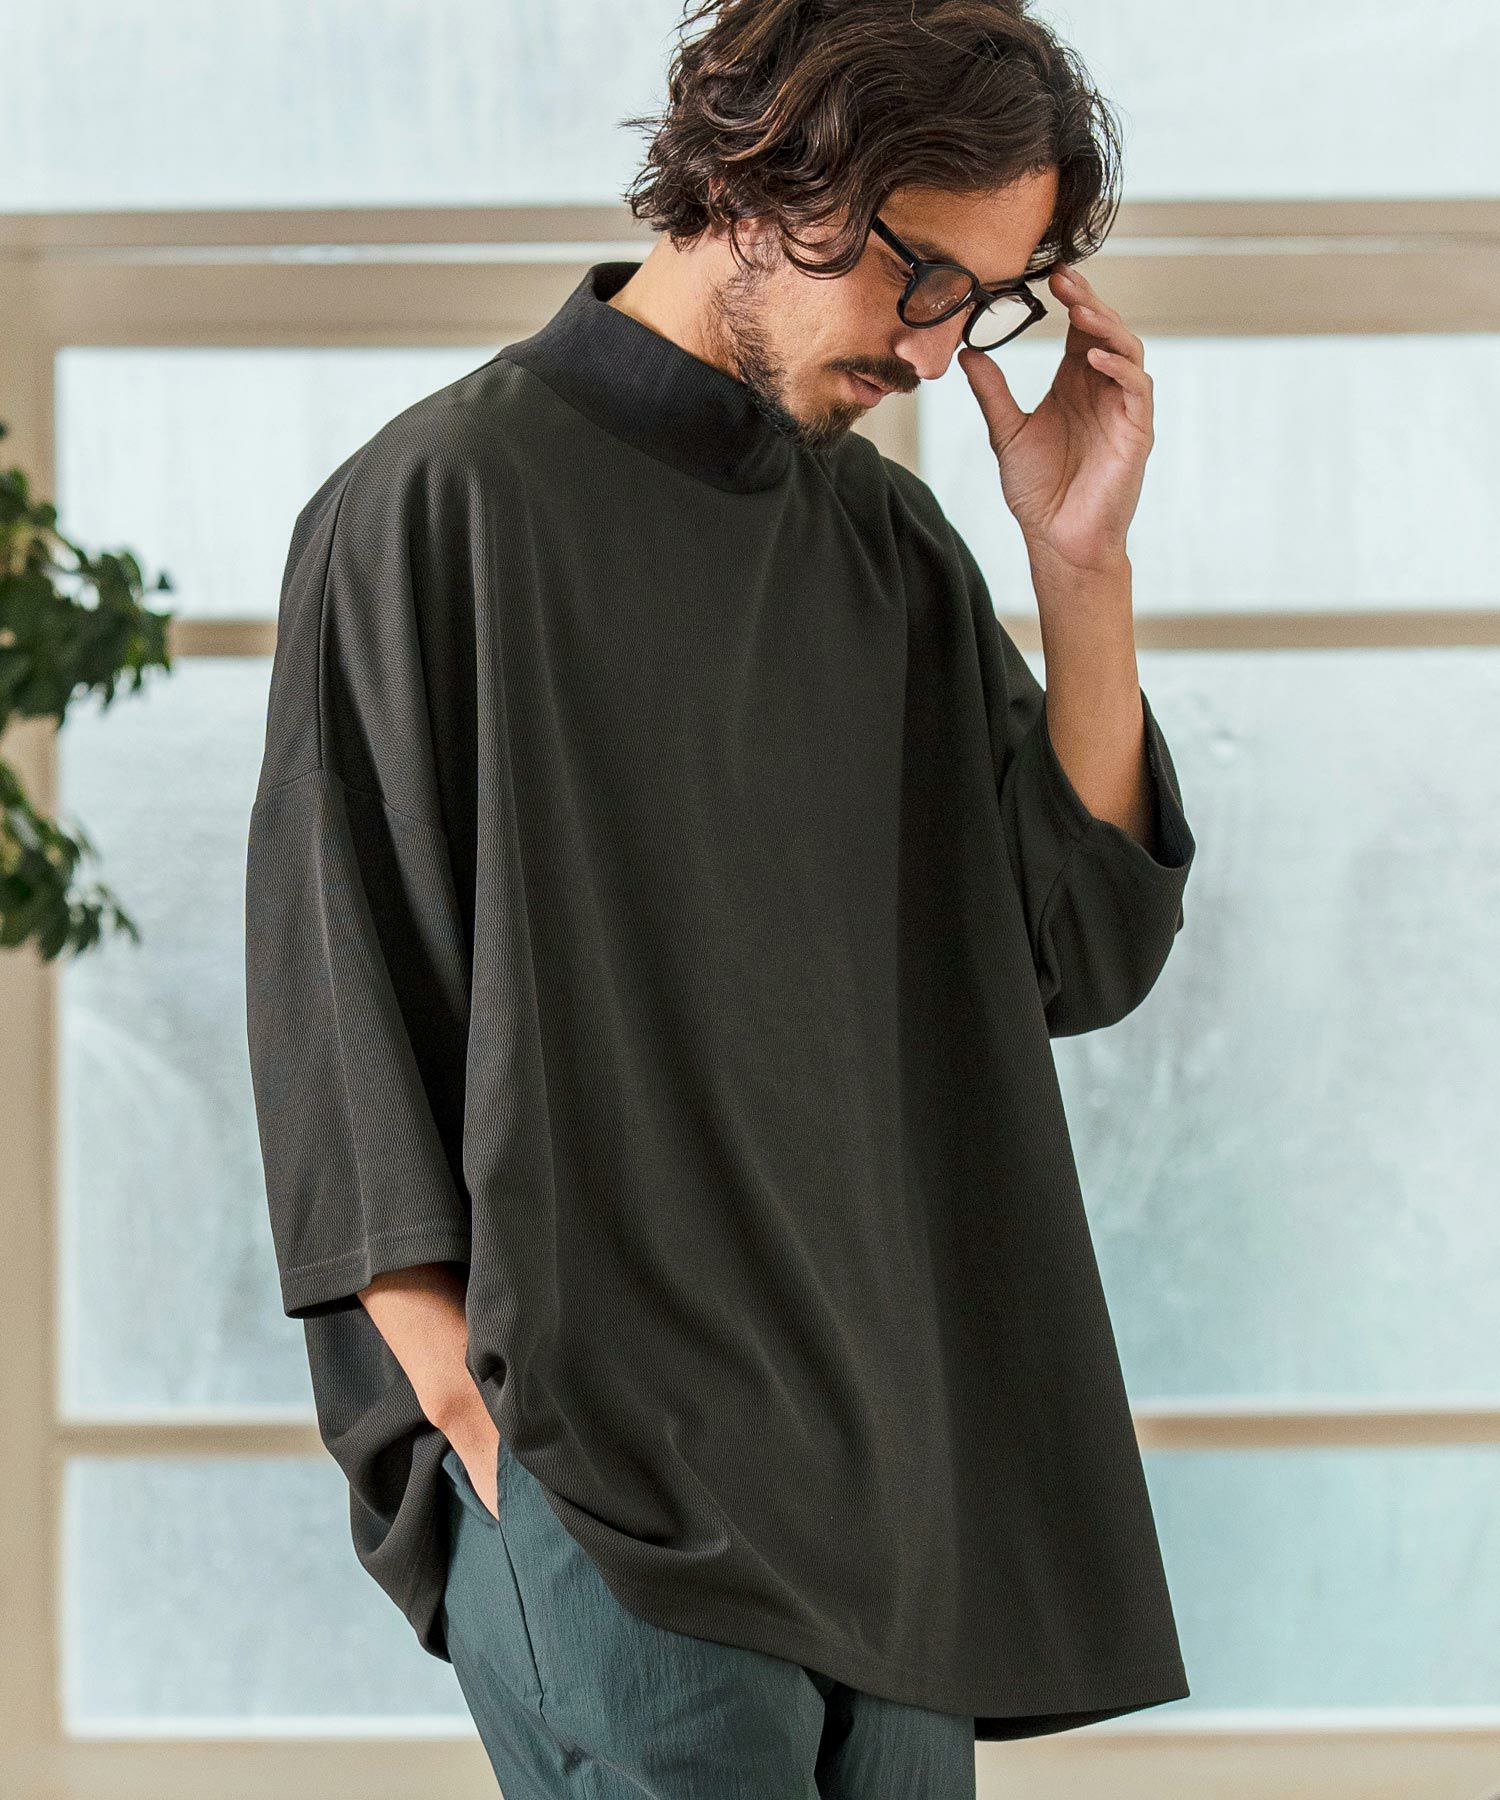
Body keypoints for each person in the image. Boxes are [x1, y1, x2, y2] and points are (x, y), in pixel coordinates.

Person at [244, 0, 1198, 1791]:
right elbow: (338, 993)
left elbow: (1077, 951)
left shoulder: (885, 549)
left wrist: (1081, 566)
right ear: (770, 178)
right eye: (923, 275)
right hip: (602, 1481)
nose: (937, 351)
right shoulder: (440, 502)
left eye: (984, 304)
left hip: (886, 1499)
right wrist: (464, 1411)